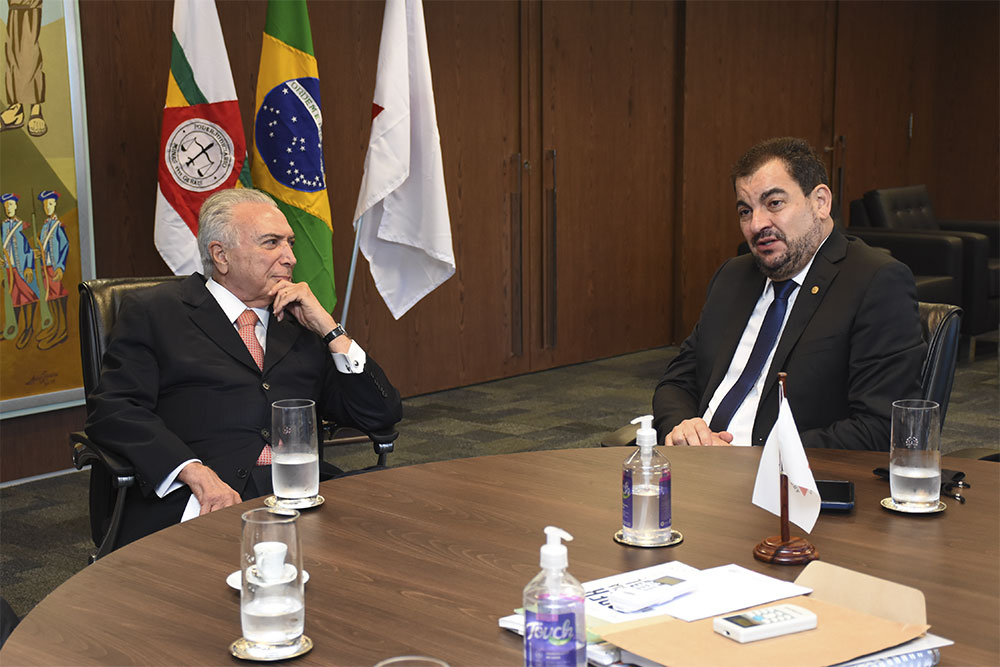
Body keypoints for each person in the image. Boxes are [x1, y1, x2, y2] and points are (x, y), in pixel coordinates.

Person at [86, 188, 402, 547]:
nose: (290, 258)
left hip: (302, 494)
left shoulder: (300, 323)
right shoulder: (156, 312)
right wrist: (192, 472)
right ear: (221, 255)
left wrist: (331, 330)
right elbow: (113, 410)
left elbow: (381, 413)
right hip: (201, 498)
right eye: (272, 243)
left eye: (290, 243)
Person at [653, 137, 923, 451]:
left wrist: (761, 457)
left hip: (787, 484)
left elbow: (882, 427)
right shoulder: (732, 276)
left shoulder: (874, 282)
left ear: (820, 202)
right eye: (745, 211)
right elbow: (677, 381)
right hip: (697, 467)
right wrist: (683, 426)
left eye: (774, 203)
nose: (756, 224)